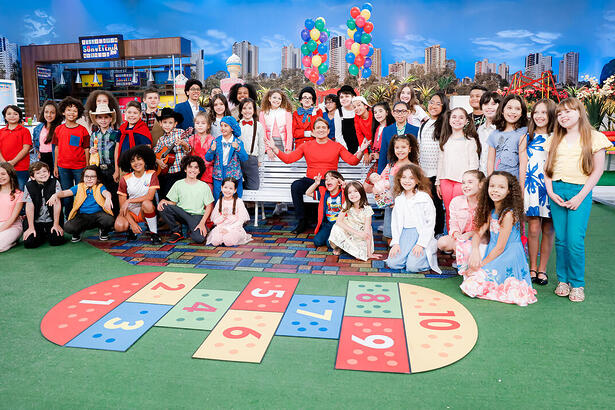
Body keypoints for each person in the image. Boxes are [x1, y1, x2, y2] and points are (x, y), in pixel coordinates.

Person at [544, 98, 611, 302]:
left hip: (580, 192)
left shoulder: (594, 137)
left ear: (580, 112)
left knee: (575, 240)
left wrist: (581, 196)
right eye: (559, 113)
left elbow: (598, 170)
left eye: (568, 112)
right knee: (561, 239)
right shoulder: (555, 138)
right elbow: (547, 170)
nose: (563, 116)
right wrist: (550, 192)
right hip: (557, 190)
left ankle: (577, 284)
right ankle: (563, 280)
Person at [266, 117, 369, 234]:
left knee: (325, 191)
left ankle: (326, 222)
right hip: (311, 180)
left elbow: (352, 161)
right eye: (318, 128)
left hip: (329, 181)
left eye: (324, 127)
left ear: (328, 131)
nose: (321, 130)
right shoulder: (306, 145)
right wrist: (274, 148)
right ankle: (302, 221)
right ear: (313, 132)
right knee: (296, 186)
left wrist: (361, 151)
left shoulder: (337, 146)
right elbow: (289, 159)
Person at [456, 171, 537, 306]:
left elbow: (500, 247)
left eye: (501, 187)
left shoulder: (508, 214)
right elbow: (478, 233)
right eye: (492, 186)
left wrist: (480, 265)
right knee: (468, 281)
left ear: (509, 191)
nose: (495, 190)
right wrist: (475, 250)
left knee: (470, 288)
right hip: (492, 252)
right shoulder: (492, 211)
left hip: (507, 255)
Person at [519, 99, 556, 285]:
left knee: (548, 229)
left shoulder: (558, 136)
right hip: (532, 186)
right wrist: (521, 188)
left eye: (544, 112)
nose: (540, 116)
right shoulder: (528, 136)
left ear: (551, 115)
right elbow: (523, 166)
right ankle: (532, 267)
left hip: (552, 188)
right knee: (533, 228)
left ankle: (543, 269)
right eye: (536, 112)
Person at [385, 164, 441, 273]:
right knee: (393, 263)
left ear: (417, 180)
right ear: (399, 179)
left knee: (412, 267)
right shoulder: (399, 199)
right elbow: (395, 223)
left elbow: (430, 223)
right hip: (404, 235)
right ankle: (407, 256)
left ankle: (420, 259)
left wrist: (421, 244)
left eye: (411, 178)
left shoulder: (424, 198)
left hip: (420, 234)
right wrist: (396, 242)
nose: (407, 181)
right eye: (404, 177)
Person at [436, 107, 481, 230]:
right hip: (445, 180)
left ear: (466, 121)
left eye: (461, 117)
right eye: (454, 117)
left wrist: (471, 183)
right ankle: (452, 238)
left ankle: (463, 239)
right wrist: (438, 182)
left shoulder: (470, 141)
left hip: (461, 182)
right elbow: (441, 162)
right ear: (449, 120)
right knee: (449, 211)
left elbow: (473, 164)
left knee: (462, 211)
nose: (457, 120)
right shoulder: (445, 139)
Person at [48, 165, 114, 242]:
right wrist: (55, 195)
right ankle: (77, 232)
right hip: (83, 216)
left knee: (109, 220)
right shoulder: (79, 187)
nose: (89, 179)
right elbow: (65, 193)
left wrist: (108, 198)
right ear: (83, 177)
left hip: (98, 215)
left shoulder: (99, 186)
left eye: (92, 176)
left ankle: (103, 231)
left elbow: (106, 193)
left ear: (97, 178)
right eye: (87, 176)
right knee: (68, 227)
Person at [157, 156, 214, 244]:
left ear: (199, 171)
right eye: (190, 167)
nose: (193, 170)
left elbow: (209, 207)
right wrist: (164, 201)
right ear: (185, 169)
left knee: (199, 239)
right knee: (163, 206)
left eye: (196, 167)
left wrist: (202, 223)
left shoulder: (204, 186)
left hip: (197, 215)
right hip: (181, 213)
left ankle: (192, 227)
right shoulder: (178, 184)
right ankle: (177, 231)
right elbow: (174, 203)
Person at [115, 145, 161, 244]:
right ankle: (131, 229)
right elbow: (122, 205)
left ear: (145, 161)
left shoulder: (152, 174)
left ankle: (154, 234)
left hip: (144, 210)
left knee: (147, 203)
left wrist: (129, 200)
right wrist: (132, 223)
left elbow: (150, 197)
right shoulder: (125, 179)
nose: (136, 163)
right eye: (133, 161)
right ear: (129, 164)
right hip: (130, 211)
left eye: (139, 159)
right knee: (119, 226)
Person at [417, 92, 448, 236]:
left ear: (444, 106)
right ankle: (425, 232)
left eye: (438, 103)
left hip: (438, 172)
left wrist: (440, 178)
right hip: (424, 172)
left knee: (436, 204)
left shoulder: (445, 124)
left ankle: (438, 233)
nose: (433, 106)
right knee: (425, 203)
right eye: (431, 102)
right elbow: (419, 147)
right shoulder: (424, 124)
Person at [53, 97, 90, 214]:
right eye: (69, 110)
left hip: (80, 167)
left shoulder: (83, 130)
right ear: (63, 112)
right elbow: (56, 148)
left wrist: (87, 166)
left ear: (78, 113)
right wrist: (55, 166)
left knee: (81, 192)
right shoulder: (58, 129)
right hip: (63, 167)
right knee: (67, 195)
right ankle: (69, 216)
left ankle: (81, 216)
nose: (71, 113)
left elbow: (86, 149)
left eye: (75, 110)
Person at [437, 170, 485, 256]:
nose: (466, 186)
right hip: (462, 237)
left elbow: (486, 229)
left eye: (470, 182)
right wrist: (456, 234)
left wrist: (470, 234)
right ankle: (460, 253)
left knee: (473, 246)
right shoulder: (456, 201)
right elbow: (453, 222)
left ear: (481, 184)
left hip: (480, 238)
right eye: (463, 183)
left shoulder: (486, 204)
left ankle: (466, 254)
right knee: (442, 242)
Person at [329, 181, 379, 261]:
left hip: (362, 234)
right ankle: (340, 247)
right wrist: (356, 232)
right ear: (347, 195)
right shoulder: (347, 205)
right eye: (349, 192)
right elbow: (339, 221)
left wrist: (369, 254)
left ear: (361, 192)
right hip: (350, 230)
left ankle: (347, 248)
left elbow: (367, 232)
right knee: (336, 227)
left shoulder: (367, 209)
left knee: (360, 256)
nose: (353, 194)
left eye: (356, 191)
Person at [21, 161, 66, 248]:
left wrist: (56, 224)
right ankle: (41, 234)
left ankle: (49, 233)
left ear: (49, 173)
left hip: (51, 219)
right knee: (30, 243)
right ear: (32, 177)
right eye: (38, 173)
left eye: (44, 171)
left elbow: (57, 204)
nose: (42, 174)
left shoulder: (55, 182)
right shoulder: (28, 186)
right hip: (36, 220)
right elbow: (29, 206)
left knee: (57, 240)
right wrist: (31, 227)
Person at [205, 116, 249, 201]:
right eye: (221, 125)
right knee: (218, 198)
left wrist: (238, 148)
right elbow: (208, 158)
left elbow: (244, 158)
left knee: (235, 199)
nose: (222, 128)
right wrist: (211, 150)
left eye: (226, 126)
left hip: (234, 176)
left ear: (232, 128)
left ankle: (234, 213)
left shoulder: (238, 142)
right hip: (219, 175)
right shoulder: (216, 141)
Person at [88, 103, 120, 214]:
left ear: (111, 118)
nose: (103, 120)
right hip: (98, 169)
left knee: (114, 193)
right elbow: (91, 153)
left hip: (111, 168)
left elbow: (117, 153)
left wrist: (117, 170)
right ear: (96, 120)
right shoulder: (94, 135)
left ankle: (115, 217)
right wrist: (91, 151)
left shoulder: (116, 134)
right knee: (101, 193)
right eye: (100, 117)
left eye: (106, 117)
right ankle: (104, 221)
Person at [487, 94, 528, 178]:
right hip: (498, 180)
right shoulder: (494, 134)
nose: (513, 112)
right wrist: (491, 180)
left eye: (517, 109)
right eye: (509, 108)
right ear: (502, 111)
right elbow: (490, 161)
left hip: (516, 180)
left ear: (521, 113)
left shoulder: (524, 132)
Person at [153, 108, 190, 199]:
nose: (167, 125)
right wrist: (158, 161)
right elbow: (154, 154)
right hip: (167, 173)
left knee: (181, 196)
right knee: (168, 196)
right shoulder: (161, 139)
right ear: (160, 123)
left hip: (180, 171)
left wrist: (183, 143)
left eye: (170, 123)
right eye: (165, 122)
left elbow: (188, 149)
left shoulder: (180, 133)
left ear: (175, 124)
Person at [206, 177, 252, 246]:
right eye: (225, 187)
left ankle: (227, 237)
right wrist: (222, 217)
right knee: (215, 241)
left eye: (231, 188)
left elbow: (241, 220)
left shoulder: (238, 201)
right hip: (221, 227)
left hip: (234, 228)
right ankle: (222, 237)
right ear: (221, 188)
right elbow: (215, 220)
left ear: (235, 190)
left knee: (228, 241)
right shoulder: (220, 201)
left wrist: (228, 229)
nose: (227, 190)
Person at [305, 170, 345, 249]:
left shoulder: (344, 193)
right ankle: (332, 236)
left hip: (340, 224)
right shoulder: (324, 194)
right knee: (317, 241)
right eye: (326, 179)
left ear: (339, 182)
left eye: (332, 178)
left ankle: (342, 240)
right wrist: (316, 183)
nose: (328, 180)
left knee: (329, 244)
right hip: (328, 224)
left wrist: (344, 187)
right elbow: (308, 193)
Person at [377, 101, 420, 174]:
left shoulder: (416, 130)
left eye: (403, 111)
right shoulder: (387, 130)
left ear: (408, 112)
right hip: (392, 169)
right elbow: (383, 153)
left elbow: (417, 152)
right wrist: (380, 174)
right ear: (393, 113)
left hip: (410, 169)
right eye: (397, 111)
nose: (400, 114)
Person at [363, 102, 394, 192]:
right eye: (375, 112)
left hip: (387, 164)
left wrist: (380, 155)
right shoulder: (376, 128)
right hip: (377, 163)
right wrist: (370, 154)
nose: (378, 114)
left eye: (380, 111)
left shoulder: (391, 128)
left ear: (387, 112)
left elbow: (393, 148)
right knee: (366, 188)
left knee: (383, 187)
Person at [0, 105, 32, 190]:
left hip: (21, 168)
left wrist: (13, 162)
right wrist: (5, 163)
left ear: (20, 116)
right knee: (5, 190)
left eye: (15, 114)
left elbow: (26, 148)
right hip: (3, 168)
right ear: (5, 117)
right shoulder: (1, 131)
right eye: (9, 114)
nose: (12, 116)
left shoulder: (25, 131)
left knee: (20, 191)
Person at [116, 101, 152, 174]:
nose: (132, 115)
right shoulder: (122, 129)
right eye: (129, 112)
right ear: (125, 113)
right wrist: (117, 170)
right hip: (123, 167)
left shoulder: (143, 130)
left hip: (139, 169)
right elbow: (117, 150)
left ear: (140, 115)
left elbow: (148, 151)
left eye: (135, 113)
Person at [238, 98, 265, 190]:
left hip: (252, 158)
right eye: (244, 108)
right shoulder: (237, 125)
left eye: (250, 108)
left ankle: (245, 185)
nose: (247, 111)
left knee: (254, 186)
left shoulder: (258, 125)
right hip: (238, 159)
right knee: (235, 183)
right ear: (241, 110)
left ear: (254, 111)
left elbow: (261, 144)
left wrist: (260, 160)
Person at [186, 111, 215, 191]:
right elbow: (188, 155)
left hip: (208, 174)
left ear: (208, 125)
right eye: (197, 123)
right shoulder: (191, 139)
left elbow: (213, 158)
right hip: (193, 173)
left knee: (207, 197)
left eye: (203, 123)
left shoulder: (212, 139)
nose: (200, 125)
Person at [260, 89, 293, 153]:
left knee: (282, 162)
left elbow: (289, 131)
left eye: (279, 99)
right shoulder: (263, 113)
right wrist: (267, 149)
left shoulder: (286, 112)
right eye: (274, 97)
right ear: (269, 99)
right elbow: (263, 132)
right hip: (269, 142)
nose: (276, 100)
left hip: (283, 142)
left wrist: (288, 148)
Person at [0, 162, 24, 252]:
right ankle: (11, 242)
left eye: (3, 174)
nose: (0, 177)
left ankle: (12, 241)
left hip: (12, 226)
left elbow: (13, 218)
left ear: (10, 175)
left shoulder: (19, 194)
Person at [32, 100, 62, 170]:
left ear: (56, 114)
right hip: (43, 158)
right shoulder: (38, 128)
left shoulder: (60, 128)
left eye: (52, 113)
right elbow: (35, 142)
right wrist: (38, 152)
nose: (49, 115)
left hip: (55, 158)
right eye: (46, 112)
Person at [476, 92, 500, 174]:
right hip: (481, 175)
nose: (489, 107)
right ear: (481, 107)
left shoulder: (502, 129)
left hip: (497, 175)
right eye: (486, 104)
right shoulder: (480, 129)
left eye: (493, 104)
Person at [336, 85, 358, 152]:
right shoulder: (338, 112)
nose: (344, 99)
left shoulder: (358, 110)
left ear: (353, 97)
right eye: (341, 97)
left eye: (347, 96)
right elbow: (338, 134)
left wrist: (360, 149)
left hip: (361, 147)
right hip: (344, 148)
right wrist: (345, 149)